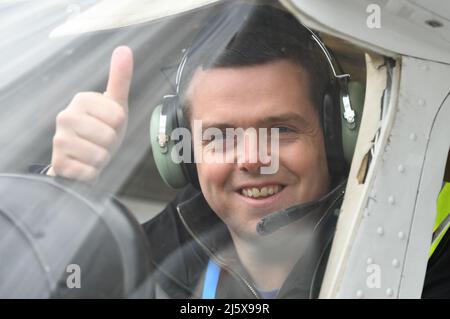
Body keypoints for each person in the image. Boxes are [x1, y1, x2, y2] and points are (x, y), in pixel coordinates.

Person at [31, 3, 450, 298]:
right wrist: (59, 194)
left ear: (336, 132)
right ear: (184, 151)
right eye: (221, 136)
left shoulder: (422, 249)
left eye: (281, 129)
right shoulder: (147, 262)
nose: (252, 158)